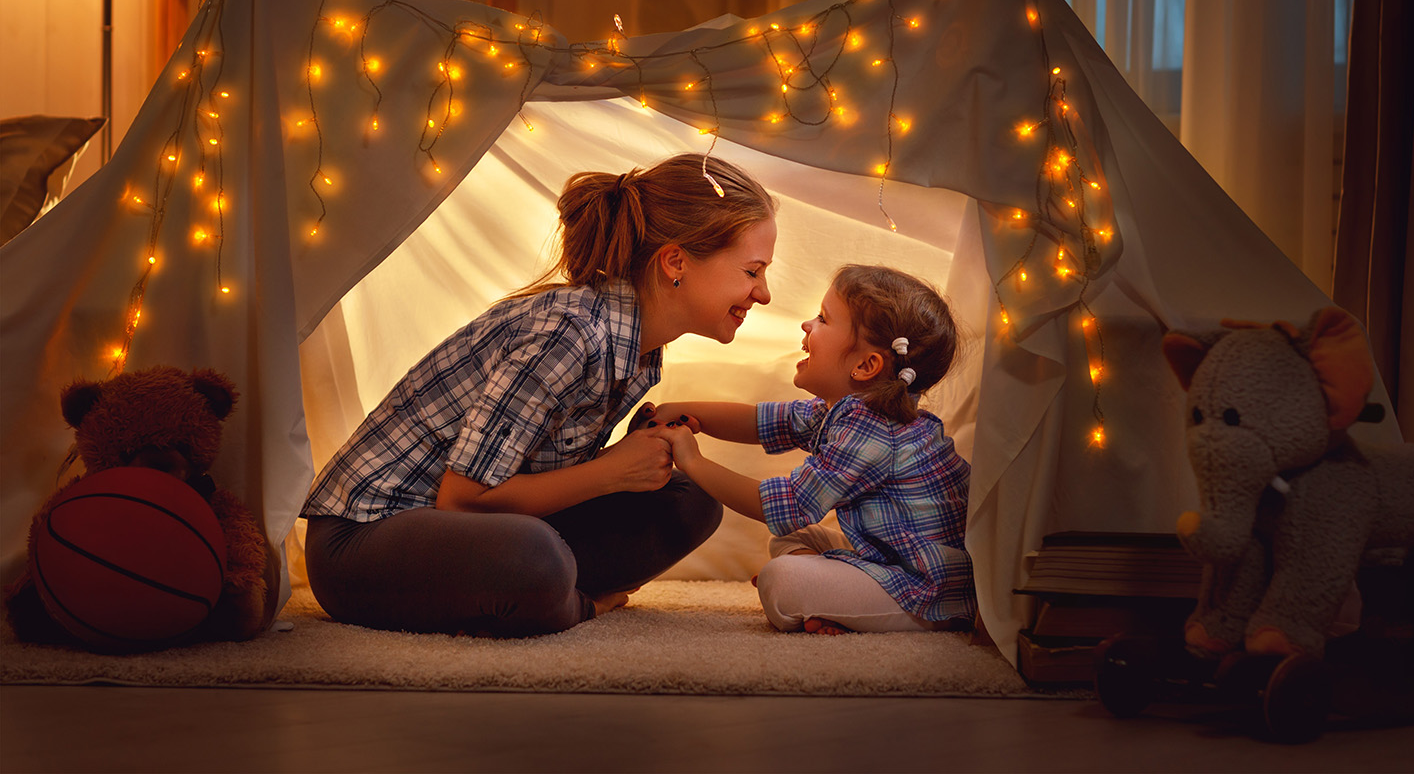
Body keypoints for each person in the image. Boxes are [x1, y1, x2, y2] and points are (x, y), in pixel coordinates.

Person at [299, 153, 777, 637]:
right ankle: (574, 605)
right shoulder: (568, 335)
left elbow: (534, 471)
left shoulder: (638, 350)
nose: (763, 295)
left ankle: (540, 594)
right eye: (752, 271)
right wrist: (611, 471)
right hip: (364, 543)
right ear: (676, 262)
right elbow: (463, 501)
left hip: (473, 533)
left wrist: (631, 461)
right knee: (533, 557)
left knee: (692, 499)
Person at [647, 264, 974, 635]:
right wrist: (689, 412)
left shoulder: (876, 430)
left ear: (866, 366)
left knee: (781, 581)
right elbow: (762, 422)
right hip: (892, 557)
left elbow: (788, 505)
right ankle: (833, 601)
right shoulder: (847, 411)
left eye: (822, 318)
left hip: (926, 588)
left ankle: (841, 601)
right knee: (794, 540)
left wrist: (691, 461)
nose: (807, 325)